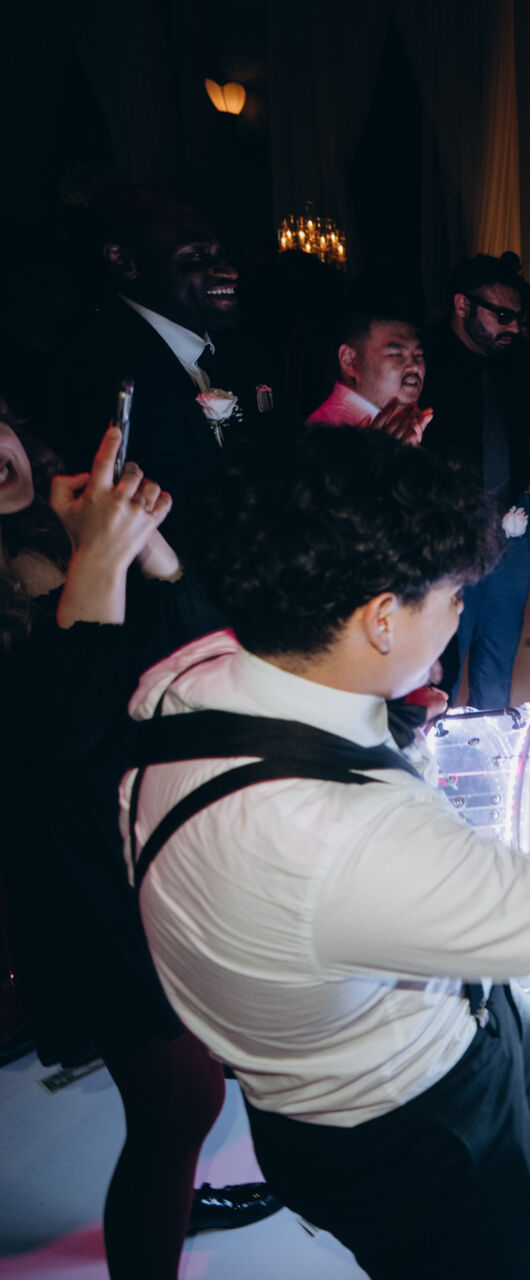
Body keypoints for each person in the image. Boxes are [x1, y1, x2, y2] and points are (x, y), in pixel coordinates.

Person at [129, 425, 530, 1278]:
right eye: (453, 596)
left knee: (529, 1064)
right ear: (380, 619)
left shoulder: (184, 679)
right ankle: (515, 1206)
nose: (460, 614)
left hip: (405, 1053)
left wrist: (392, 717)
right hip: (420, 1137)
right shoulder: (345, 840)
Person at [0, 421, 279, 1276]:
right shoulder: (60, 556)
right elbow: (64, 732)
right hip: (79, 873)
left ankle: (176, 1196)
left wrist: (149, 550)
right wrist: (99, 557)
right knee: (178, 1101)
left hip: (153, 838)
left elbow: (202, 649)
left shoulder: (55, 535)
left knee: (198, 1075)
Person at [418, 254, 530, 709]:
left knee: (500, 650)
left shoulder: (519, 355)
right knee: (442, 656)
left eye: (518, 317)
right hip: (445, 527)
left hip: (509, 519)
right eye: (502, 315)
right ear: (462, 305)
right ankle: (435, 737)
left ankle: (491, 736)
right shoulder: (425, 354)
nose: (514, 327)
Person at [56, 187, 263, 498]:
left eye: (220, 255)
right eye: (196, 255)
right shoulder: (101, 369)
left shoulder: (240, 347)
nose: (230, 271)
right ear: (124, 262)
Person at [306, 309, 431, 443]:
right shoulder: (328, 434)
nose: (415, 366)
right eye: (396, 354)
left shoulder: (396, 429)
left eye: (418, 355)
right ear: (350, 361)